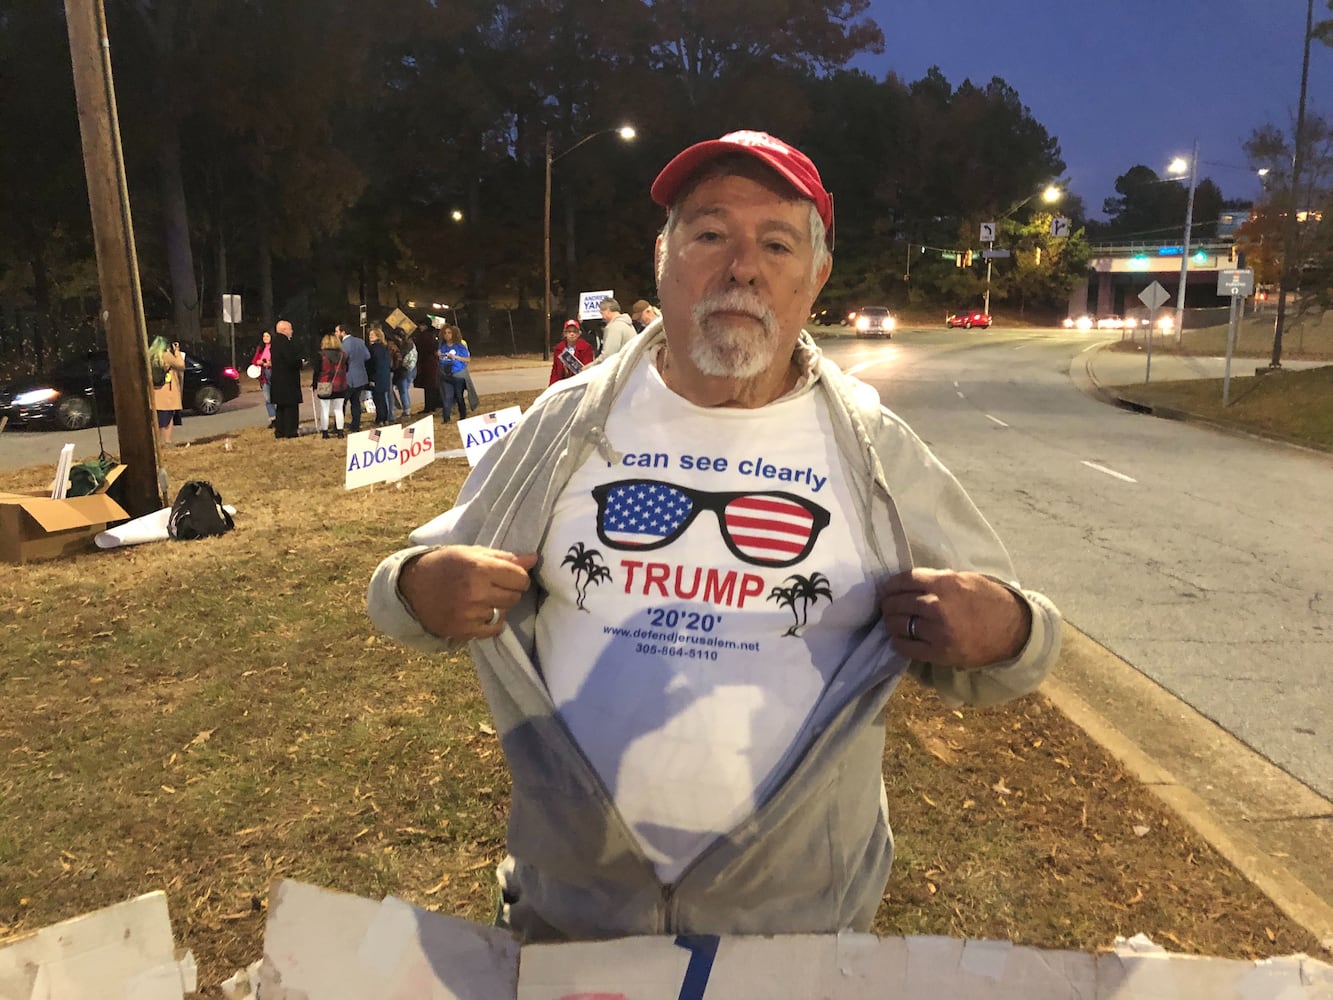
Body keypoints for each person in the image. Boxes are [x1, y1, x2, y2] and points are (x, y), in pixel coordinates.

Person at [367, 129, 1061, 944]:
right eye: (709, 235)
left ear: (816, 276)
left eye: (776, 242)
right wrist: (415, 589)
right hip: (573, 922)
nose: (741, 266)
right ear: (661, 260)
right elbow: (420, 579)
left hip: (794, 934)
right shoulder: (567, 423)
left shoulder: (872, 449)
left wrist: (1006, 629)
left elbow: (1013, 640)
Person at [269, 319, 304, 438]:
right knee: (291, 407)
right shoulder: (285, 343)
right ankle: (290, 431)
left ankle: (280, 431)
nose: (292, 331)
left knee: (280, 408)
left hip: (278, 381)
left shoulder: (274, 342)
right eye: (290, 328)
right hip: (288, 381)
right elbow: (290, 360)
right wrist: (300, 362)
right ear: (284, 330)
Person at [148, 336, 186, 446]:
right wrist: (177, 352)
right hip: (166, 389)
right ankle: (167, 441)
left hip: (154, 391)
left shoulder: (150, 356)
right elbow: (181, 365)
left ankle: (157, 442)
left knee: (157, 419)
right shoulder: (166, 355)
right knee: (168, 416)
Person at [311, 331, 347, 439]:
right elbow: (346, 368)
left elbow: (317, 371)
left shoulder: (321, 356)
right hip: (340, 384)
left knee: (324, 409)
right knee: (339, 409)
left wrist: (314, 384)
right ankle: (340, 432)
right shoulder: (343, 355)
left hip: (324, 384)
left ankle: (325, 432)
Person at [337, 323, 371, 433]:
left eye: (337, 331)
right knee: (356, 402)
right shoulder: (360, 341)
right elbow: (367, 356)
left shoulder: (344, 345)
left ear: (343, 332)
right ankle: (355, 425)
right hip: (360, 377)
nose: (336, 334)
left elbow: (342, 360)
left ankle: (339, 425)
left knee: (341, 403)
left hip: (348, 378)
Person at [438, 325, 471, 422]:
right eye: (445, 333)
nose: (447, 335)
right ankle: (446, 418)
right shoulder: (441, 346)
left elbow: (467, 359)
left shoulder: (459, 346)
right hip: (445, 375)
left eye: (449, 333)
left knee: (459, 396)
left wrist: (455, 357)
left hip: (457, 375)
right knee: (447, 397)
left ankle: (463, 416)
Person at [548, 319, 594, 385]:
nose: (572, 334)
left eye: (574, 331)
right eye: (569, 331)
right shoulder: (559, 348)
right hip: (562, 383)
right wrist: (551, 387)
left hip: (579, 383)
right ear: (565, 333)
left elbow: (588, 368)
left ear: (579, 333)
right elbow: (555, 370)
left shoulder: (586, 348)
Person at [368, 324, 394, 428]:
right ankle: (385, 418)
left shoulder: (373, 349)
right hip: (385, 375)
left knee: (378, 398)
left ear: (378, 336)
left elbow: (372, 364)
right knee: (382, 398)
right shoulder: (385, 348)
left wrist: (371, 378)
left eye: (372, 335)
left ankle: (380, 418)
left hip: (377, 376)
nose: (370, 336)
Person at [594, 297, 636, 362]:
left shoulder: (614, 327)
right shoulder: (628, 325)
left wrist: (590, 367)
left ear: (607, 311)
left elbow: (608, 356)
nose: (602, 317)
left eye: (602, 313)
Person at [413, 321, 440, 415]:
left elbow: (422, 349)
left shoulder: (425, 336)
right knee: (431, 386)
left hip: (427, 364)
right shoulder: (432, 335)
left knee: (429, 387)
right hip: (431, 363)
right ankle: (431, 406)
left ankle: (429, 407)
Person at [251, 331, 276, 427]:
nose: (265, 338)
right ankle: (273, 419)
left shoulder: (274, 347)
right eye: (264, 336)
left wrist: (270, 363)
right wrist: (260, 362)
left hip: (273, 374)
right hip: (264, 375)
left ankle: (280, 417)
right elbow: (255, 361)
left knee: (276, 396)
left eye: (267, 336)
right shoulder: (260, 348)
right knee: (267, 398)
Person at [392, 328, 417, 419]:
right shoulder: (411, 343)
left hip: (404, 370)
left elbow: (400, 357)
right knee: (404, 390)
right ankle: (407, 409)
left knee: (403, 391)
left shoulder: (403, 346)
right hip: (412, 369)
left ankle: (406, 411)